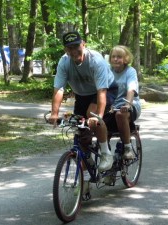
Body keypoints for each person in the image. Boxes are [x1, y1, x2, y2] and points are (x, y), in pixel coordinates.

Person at [49, 31, 117, 172]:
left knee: (92, 115)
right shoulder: (64, 62)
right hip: (82, 95)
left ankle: (106, 153)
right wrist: (54, 113)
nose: (73, 51)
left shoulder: (96, 61)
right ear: (65, 49)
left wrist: (98, 116)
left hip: (106, 90)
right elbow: (59, 89)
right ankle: (86, 169)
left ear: (83, 44)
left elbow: (102, 92)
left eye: (76, 46)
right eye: (70, 48)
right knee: (80, 130)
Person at [104, 45, 141, 159]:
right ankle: (105, 151)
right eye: (113, 56)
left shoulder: (130, 71)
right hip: (111, 105)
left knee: (120, 114)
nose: (115, 59)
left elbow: (131, 89)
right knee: (100, 121)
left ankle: (127, 147)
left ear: (125, 59)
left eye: (119, 57)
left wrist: (128, 104)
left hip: (129, 104)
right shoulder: (107, 70)